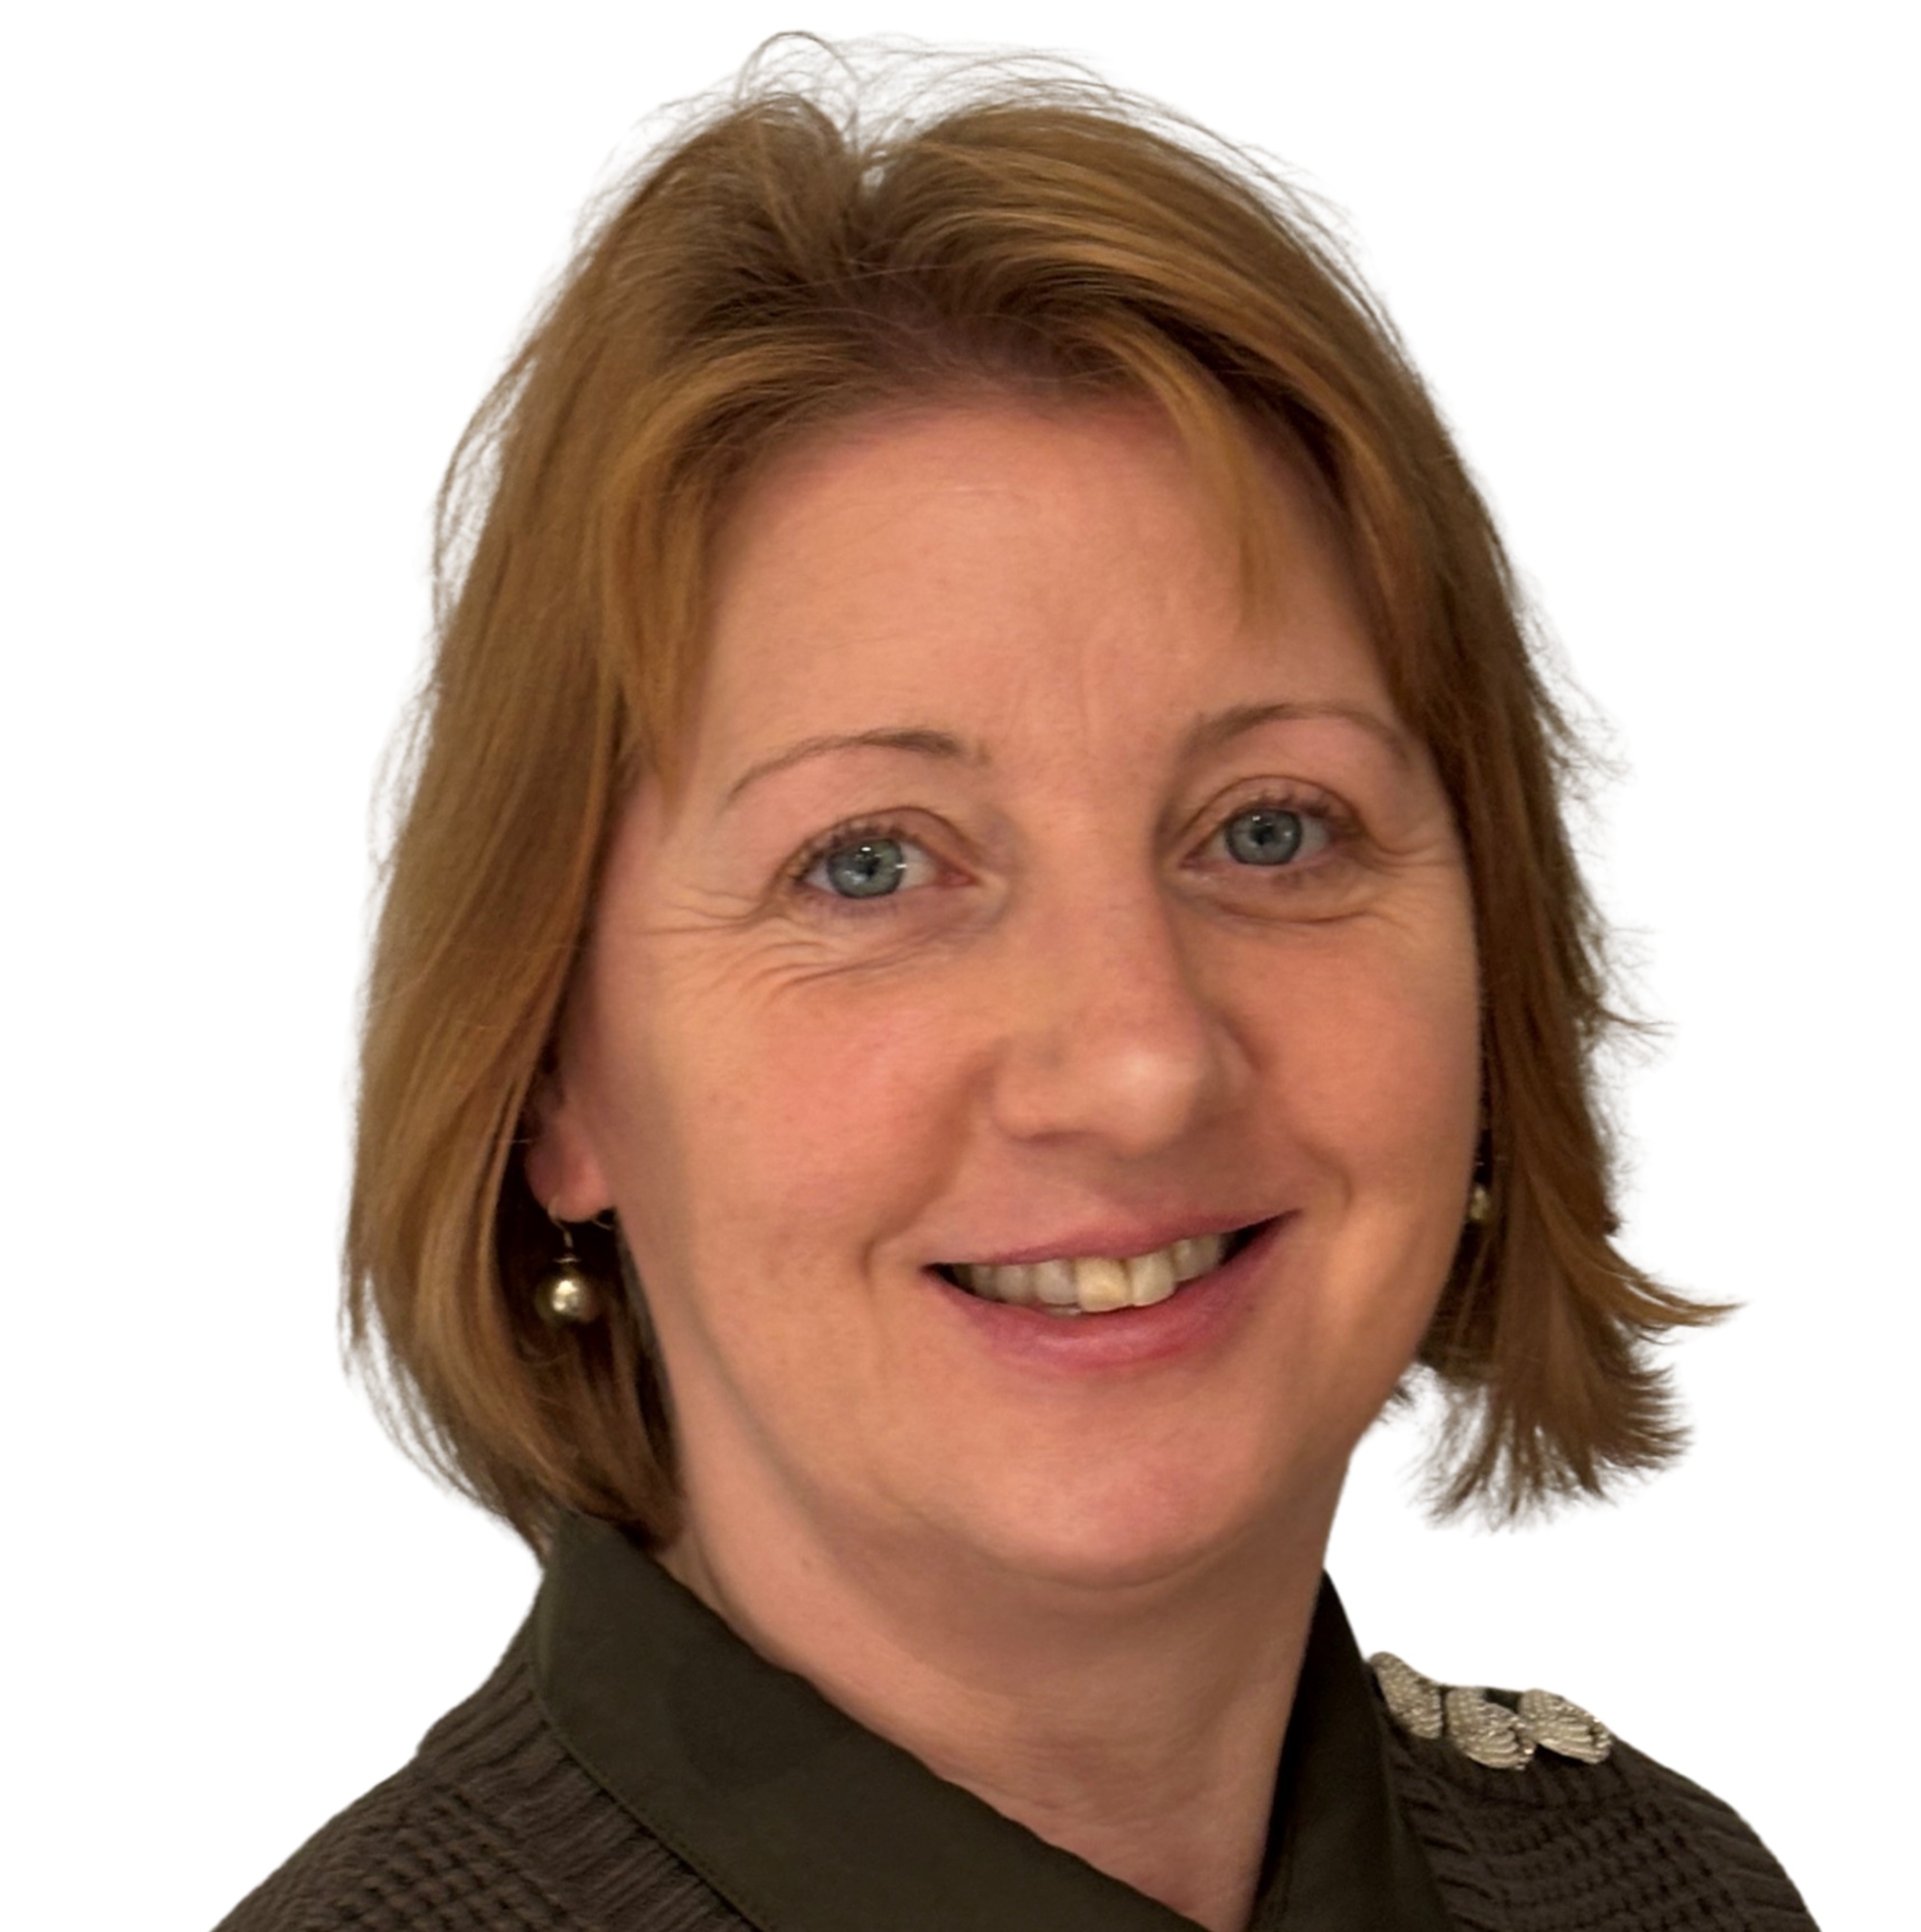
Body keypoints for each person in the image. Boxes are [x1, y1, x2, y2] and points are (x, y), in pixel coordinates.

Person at [219, 42, 1816, 1932]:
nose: (1136, 1058)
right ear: (552, 1070)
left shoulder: (1661, 1898)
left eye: (1271, 831)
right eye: (871, 861)